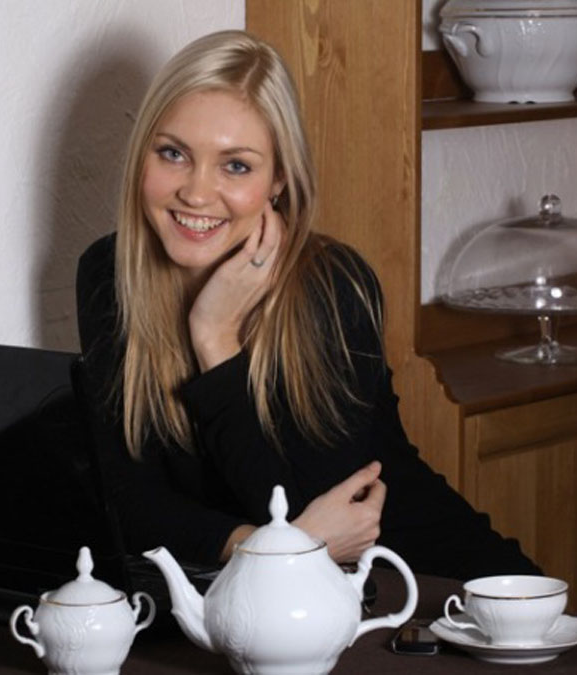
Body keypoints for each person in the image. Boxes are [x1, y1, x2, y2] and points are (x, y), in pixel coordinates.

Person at [76, 30, 540, 580]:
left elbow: (314, 510)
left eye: (236, 165)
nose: (196, 193)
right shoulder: (109, 275)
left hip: (415, 577)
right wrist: (264, 545)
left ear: (278, 180)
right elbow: (129, 505)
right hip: (260, 591)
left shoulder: (333, 285)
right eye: (173, 154)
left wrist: (215, 336)